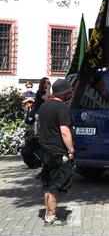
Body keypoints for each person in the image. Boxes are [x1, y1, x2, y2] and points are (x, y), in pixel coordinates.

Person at [38, 79, 74, 226]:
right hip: (57, 152)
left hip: (44, 150)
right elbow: (65, 132)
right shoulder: (62, 108)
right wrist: (71, 150)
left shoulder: (44, 106)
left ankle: (47, 213)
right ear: (65, 93)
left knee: (47, 183)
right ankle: (51, 217)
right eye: (69, 92)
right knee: (56, 184)